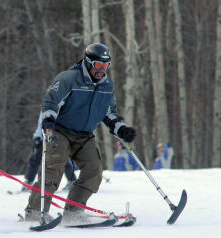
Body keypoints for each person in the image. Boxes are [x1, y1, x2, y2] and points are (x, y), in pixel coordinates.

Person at [24, 43, 137, 223]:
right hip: (60, 131)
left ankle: (73, 210)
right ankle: (35, 211)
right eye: (98, 65)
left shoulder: (106, 85)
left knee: (94, 171)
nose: (102, 70)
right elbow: (50, 102)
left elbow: (110, 113)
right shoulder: (69, 78)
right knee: (53, 169)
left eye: (106, 65)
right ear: (88, 62)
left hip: (84, 135)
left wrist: (122, 129)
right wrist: (48, 122)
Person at [22, 111, 76, 192]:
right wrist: (37, 136)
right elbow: (41, 122)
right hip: (44, 138)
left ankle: (72, 180)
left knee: (61, 159)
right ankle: (28, 181)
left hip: (57, 137)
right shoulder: (46, 106)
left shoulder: (62, 106)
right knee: (35, 158)